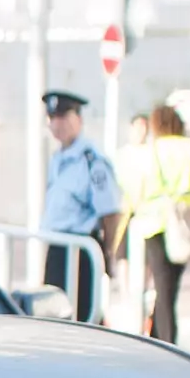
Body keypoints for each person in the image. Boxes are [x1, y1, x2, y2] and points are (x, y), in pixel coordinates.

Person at [119, 104, 190, 343]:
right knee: (170, 286)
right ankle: (159, 337)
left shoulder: (149, 151)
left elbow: (136, 188)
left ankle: (166, 342)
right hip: (184, 222)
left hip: (154, 223)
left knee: (162, 285)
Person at [37, 89, 124, 323]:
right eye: (53, 118)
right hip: (57, 247)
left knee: (80, 318)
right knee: (53, 316)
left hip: (78, 250)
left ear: (79, 119)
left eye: (64, 117)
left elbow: (111, 213)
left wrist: (107, 253)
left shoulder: (91, 162)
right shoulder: (58, 158)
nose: (57, 124)